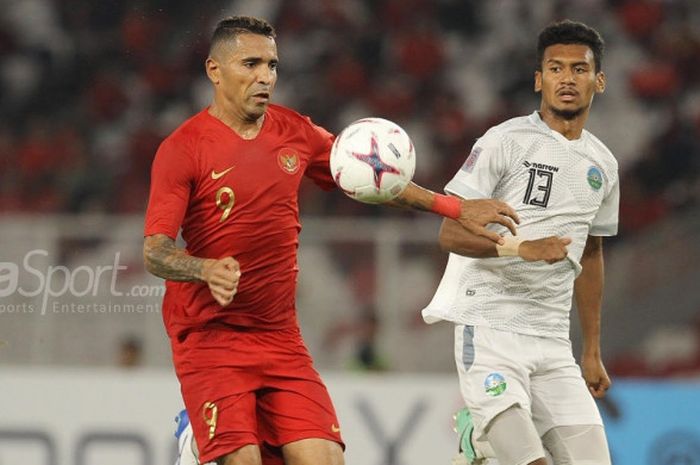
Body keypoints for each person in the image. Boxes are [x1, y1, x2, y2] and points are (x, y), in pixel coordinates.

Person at [143, 16, 520, 465]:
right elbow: (155, 251)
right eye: (251, 64)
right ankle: (196, 435)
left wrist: (457, 208)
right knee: (242, 460)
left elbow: (374, 178)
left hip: (279, 336)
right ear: (214, 70)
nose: (266, 76)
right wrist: (204, 268)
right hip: (211, 337)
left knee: (324, 460)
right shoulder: (183, 148)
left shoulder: (294, 132)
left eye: (272, 65)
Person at [421, 20, 618, 465]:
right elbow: (449, 232)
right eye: (555, 68)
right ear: (538, 79)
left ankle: (487, 451)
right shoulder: (503, 142)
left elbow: (591, 252)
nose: (567, 78)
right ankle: (483, 439)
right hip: (490, 325)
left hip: (551, 338)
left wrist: (591, 350)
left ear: (599, 81)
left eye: (579, 69)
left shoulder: (603, 165)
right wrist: (520, 248)